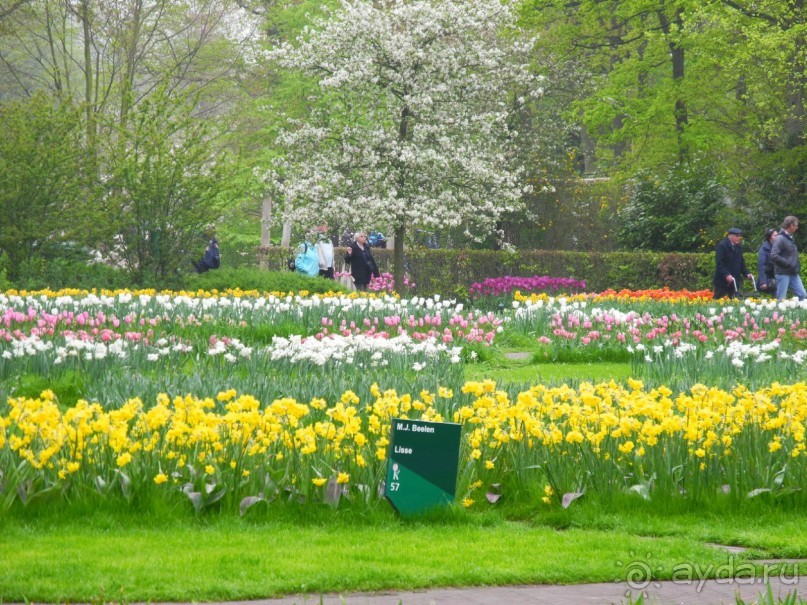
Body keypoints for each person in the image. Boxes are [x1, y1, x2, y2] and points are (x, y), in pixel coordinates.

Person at [770, 215, 807, 301]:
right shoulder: (780, 238)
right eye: (796, 225)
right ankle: (778, 314)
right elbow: (774, 255)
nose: (797, 228)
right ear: (791, 225)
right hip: (783, 273)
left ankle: (797, 314)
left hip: (793, 273)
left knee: (803, 295)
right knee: (781, 299)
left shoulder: (790, 238)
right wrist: (788, 263)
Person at [713, 227, 753, 300]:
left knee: (735, 301)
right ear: (730, 236)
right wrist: (726, 275)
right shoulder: (722, 246)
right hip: (722, 282)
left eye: (740, 236)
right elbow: (719, 263)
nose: (739, 238)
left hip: (735, 281)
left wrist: (747, 273)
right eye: (737, 236)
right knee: (718, 300)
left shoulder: (738, 247)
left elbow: (741, 263)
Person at [756, 228, 779, 294]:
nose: (777, 237)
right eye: (775, 235)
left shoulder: (779, 247)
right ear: (770, 237)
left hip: (778, 276)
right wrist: (763, 282)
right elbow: (761, 266)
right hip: (769, 278)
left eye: (777, 235)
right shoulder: (763, 249)